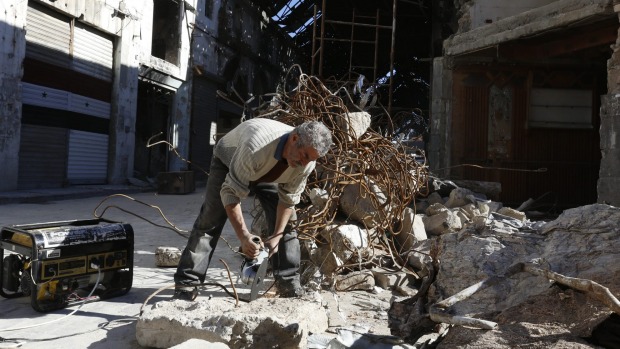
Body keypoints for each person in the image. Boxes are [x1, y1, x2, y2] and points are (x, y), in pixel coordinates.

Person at [173, 118, 333, 300]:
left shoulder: (306, 163)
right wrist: (243, 236)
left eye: (311, 159)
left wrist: (276, 236)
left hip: (271, 173)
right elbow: (231, 193)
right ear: (294, 139)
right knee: (210, 219)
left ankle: (288, 283)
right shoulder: (255, 145)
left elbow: (288, 200)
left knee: (287, 226)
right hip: (229, 161)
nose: (305, 163)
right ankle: (187, 283)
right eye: (304, 156)